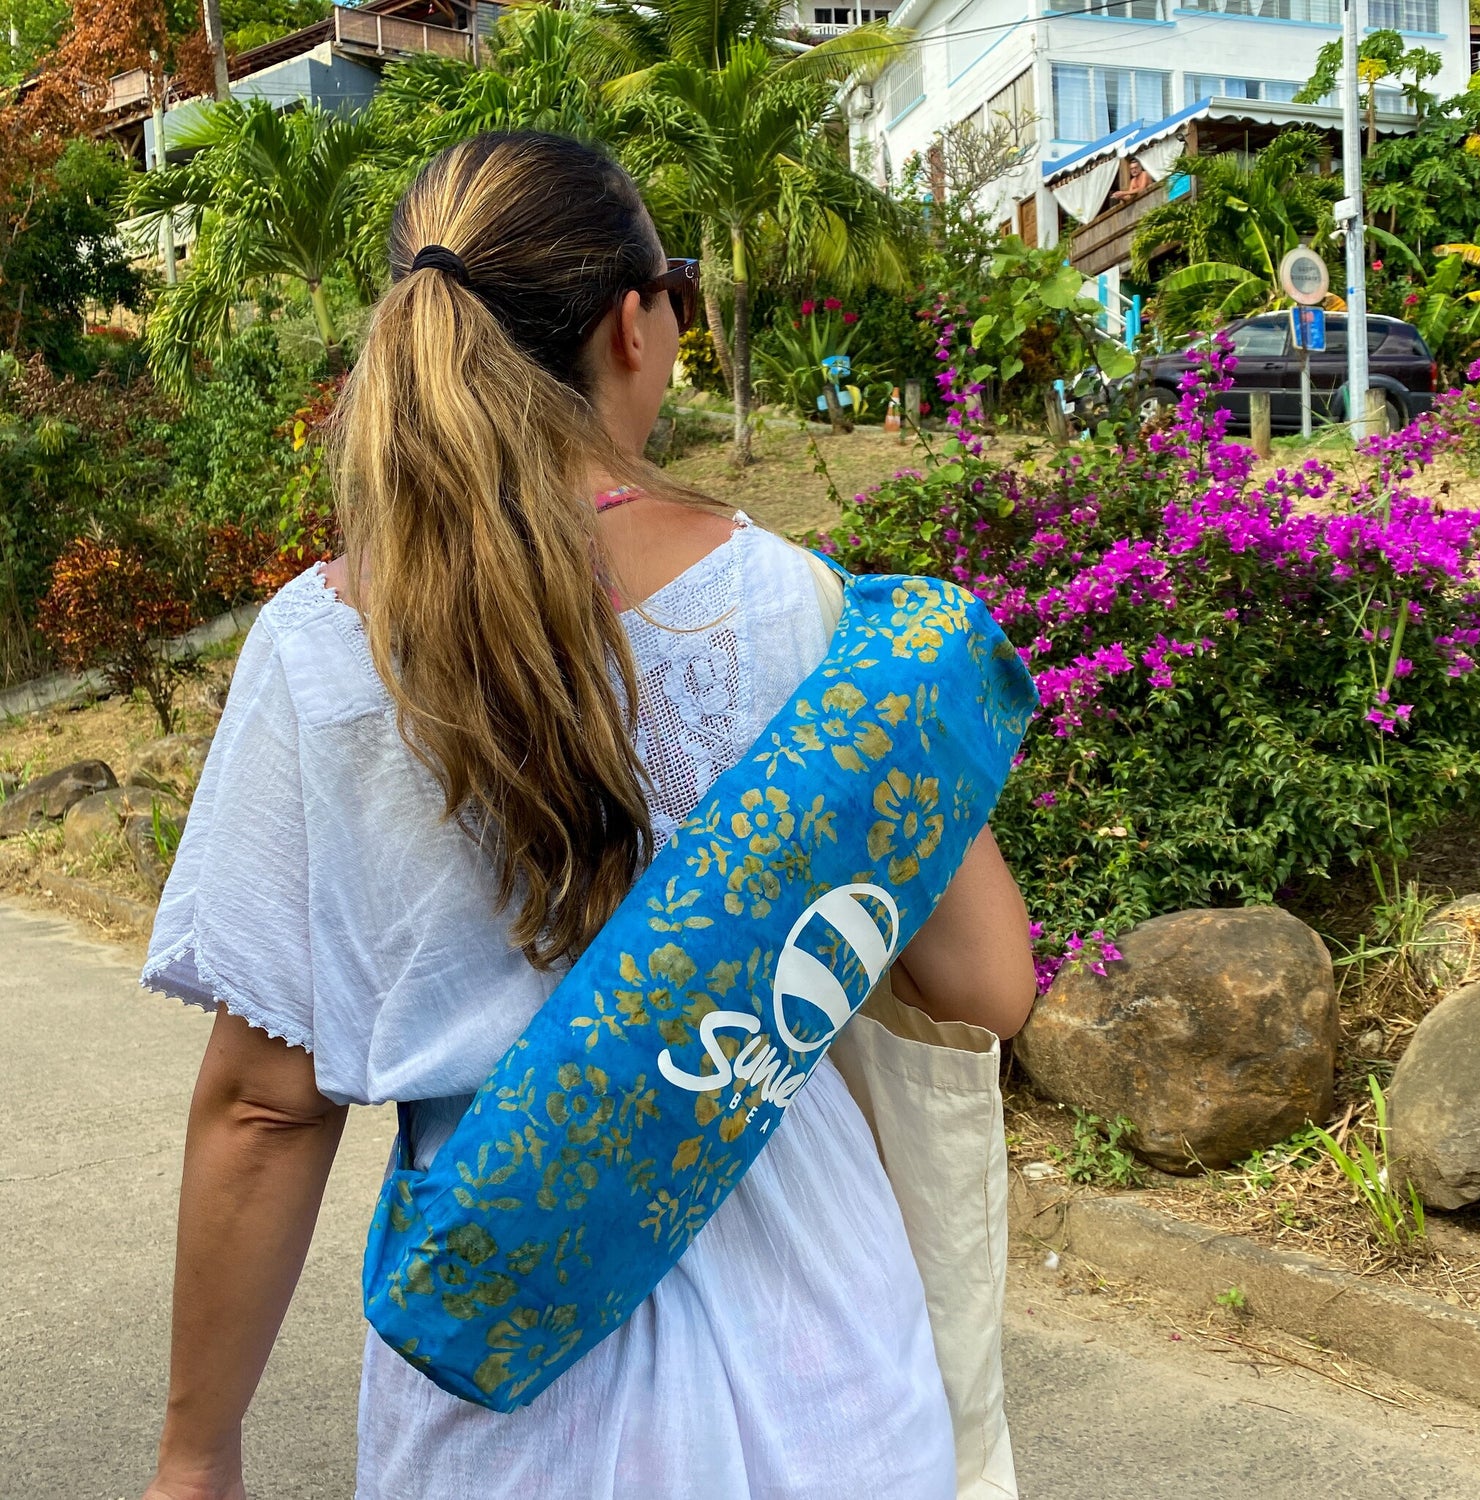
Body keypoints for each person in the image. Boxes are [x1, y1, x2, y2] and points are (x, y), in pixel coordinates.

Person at [140, 130, 1036, 1500]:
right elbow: (987, 983)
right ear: (635, 320)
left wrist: (197, 1456)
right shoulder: (799, 608)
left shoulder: (317, 652)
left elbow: (264, 1109)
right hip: (841, 1394)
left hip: (511, 1415)